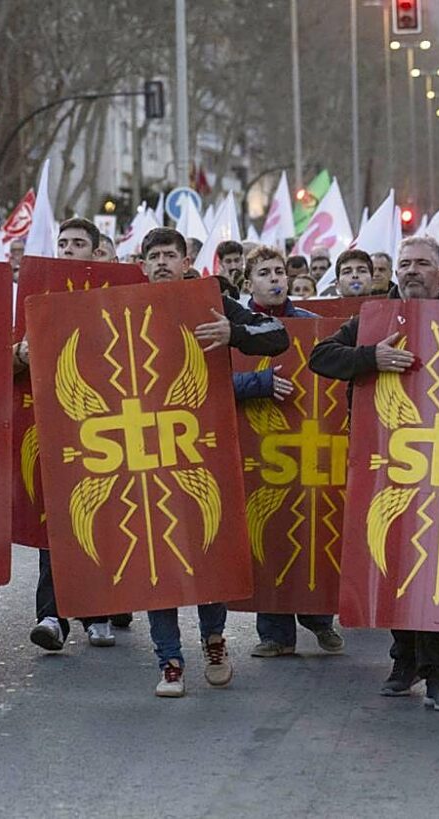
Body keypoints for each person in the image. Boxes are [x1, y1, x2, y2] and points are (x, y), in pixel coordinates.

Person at [308, 235, 439, 712]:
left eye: (423, 263)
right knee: (395, 558)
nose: (412, 270)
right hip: (386, 460)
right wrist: (370, 358)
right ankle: (405, 660)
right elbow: (321, 357)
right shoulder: (373, 319)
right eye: (405, 263)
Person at [138, 227, 289, 697]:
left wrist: (233, 332)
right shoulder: (123, 308)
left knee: (208, 546)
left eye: (170, 255)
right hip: (145, 449)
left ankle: (214, 640)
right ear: (142, 265)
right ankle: (169, 661)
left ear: (187, 262)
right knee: (158, 554)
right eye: (153, 256)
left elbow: (277, 335)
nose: (161, 263)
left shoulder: (213, 302)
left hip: (204, 448)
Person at [240, 246, 345, 657]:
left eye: (279, 271)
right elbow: (214, 384)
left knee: (313, 528)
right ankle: (275, 634)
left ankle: (320, 620)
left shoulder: (311, 325)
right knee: (270, 532)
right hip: (261, 447)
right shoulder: (237, 328)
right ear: (248, 283)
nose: (274, 279)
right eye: (264, 272)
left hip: (312, 442)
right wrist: (259, 383)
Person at [27, 217, 126, 651]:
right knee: (54, 523)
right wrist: (20, 353)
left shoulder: (116, 295)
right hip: (53, 424)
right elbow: (7, 356)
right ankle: (51, 617)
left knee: (101, 516)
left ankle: (98, 610)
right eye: (63, 242)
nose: (68, 249)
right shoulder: (36, 295)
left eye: (78, 243)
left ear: (95, 251)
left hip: (105, 426)